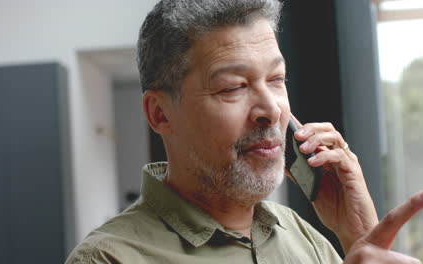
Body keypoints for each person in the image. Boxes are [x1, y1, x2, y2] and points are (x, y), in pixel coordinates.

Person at [66, 0, 423, 263]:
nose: (271, 109)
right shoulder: (107, 258)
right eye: (233, 87)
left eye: (277, 79)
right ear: (160, 114)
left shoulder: (303, 239)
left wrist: (358, 235)